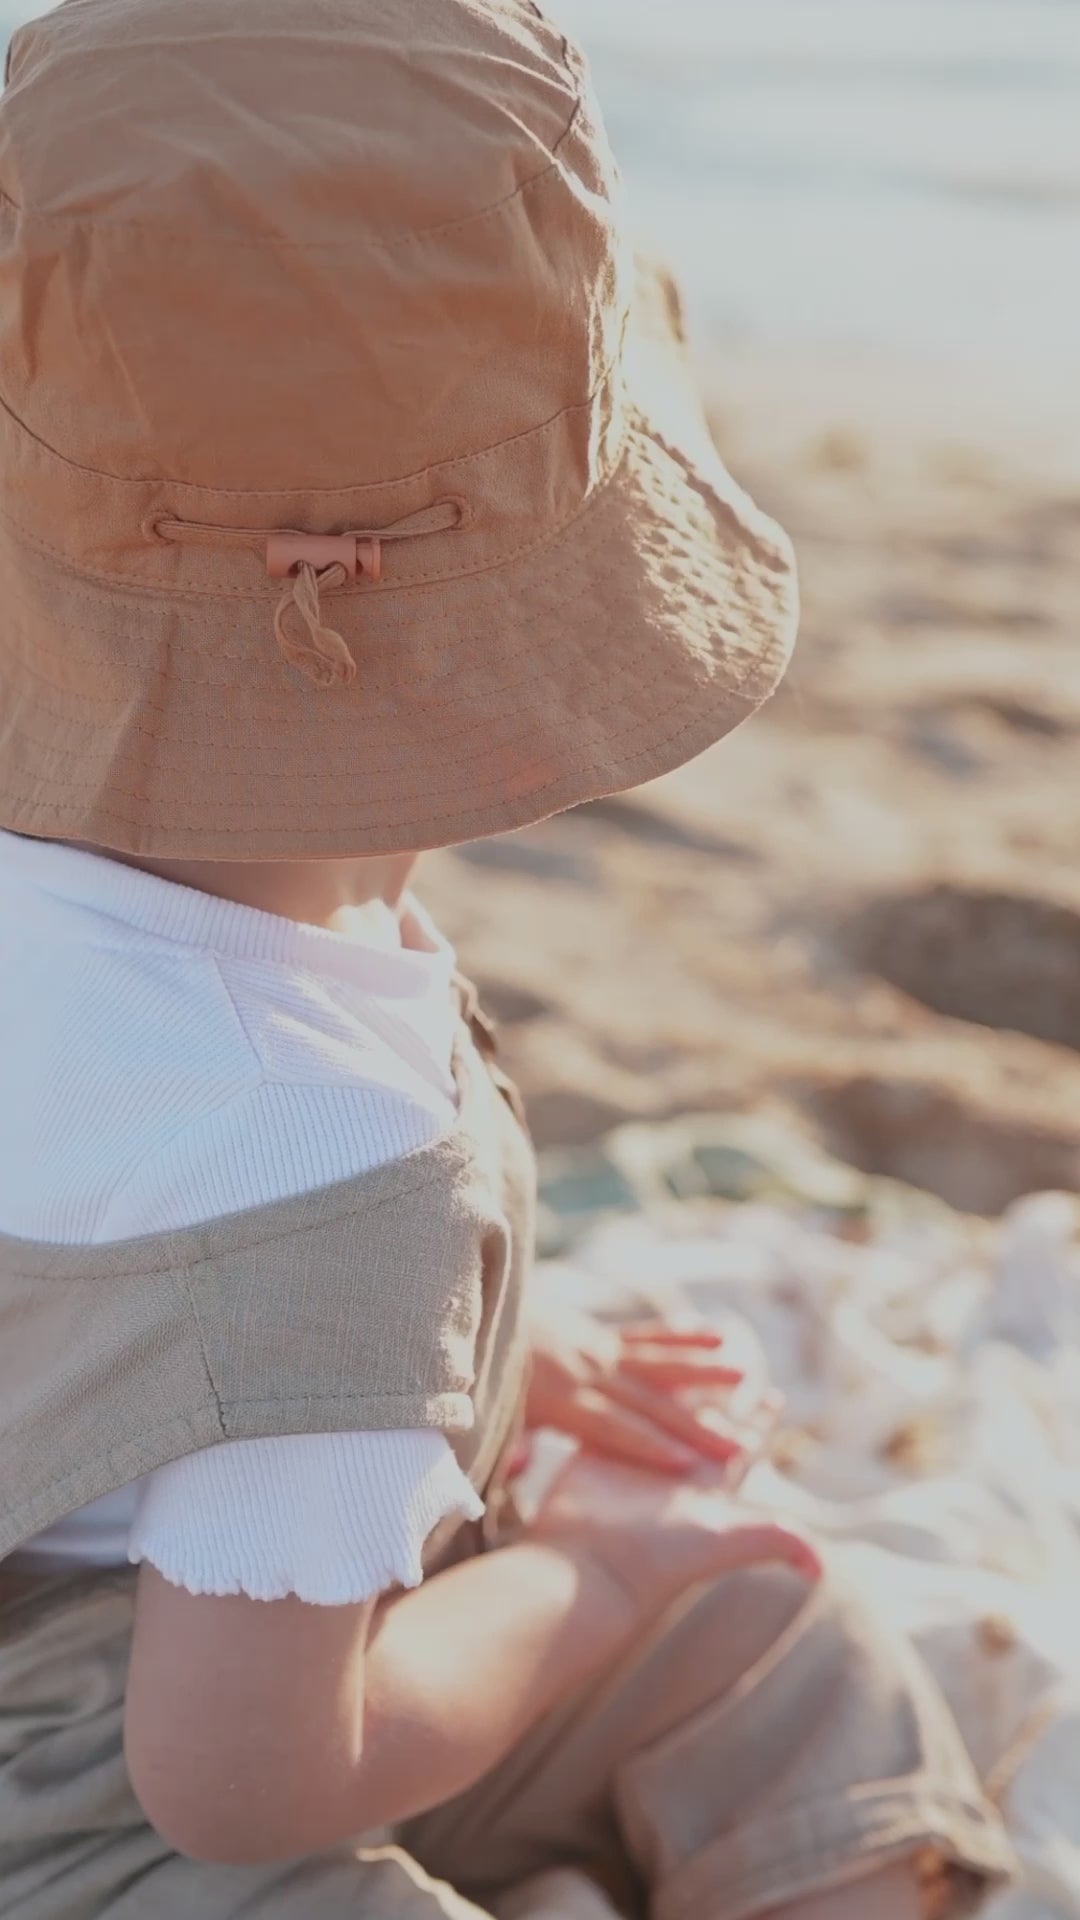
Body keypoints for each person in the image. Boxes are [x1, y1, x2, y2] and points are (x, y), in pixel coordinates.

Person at [0, 1, 1014, 1914]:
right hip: (97, 1815)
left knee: (782, 1625)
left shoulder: (127, 897)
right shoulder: (323, 1153)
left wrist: (498, 1358)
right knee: (711, 1611)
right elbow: (241, 1786)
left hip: (186, 1580)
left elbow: (92, 1289)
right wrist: (593, 1581)